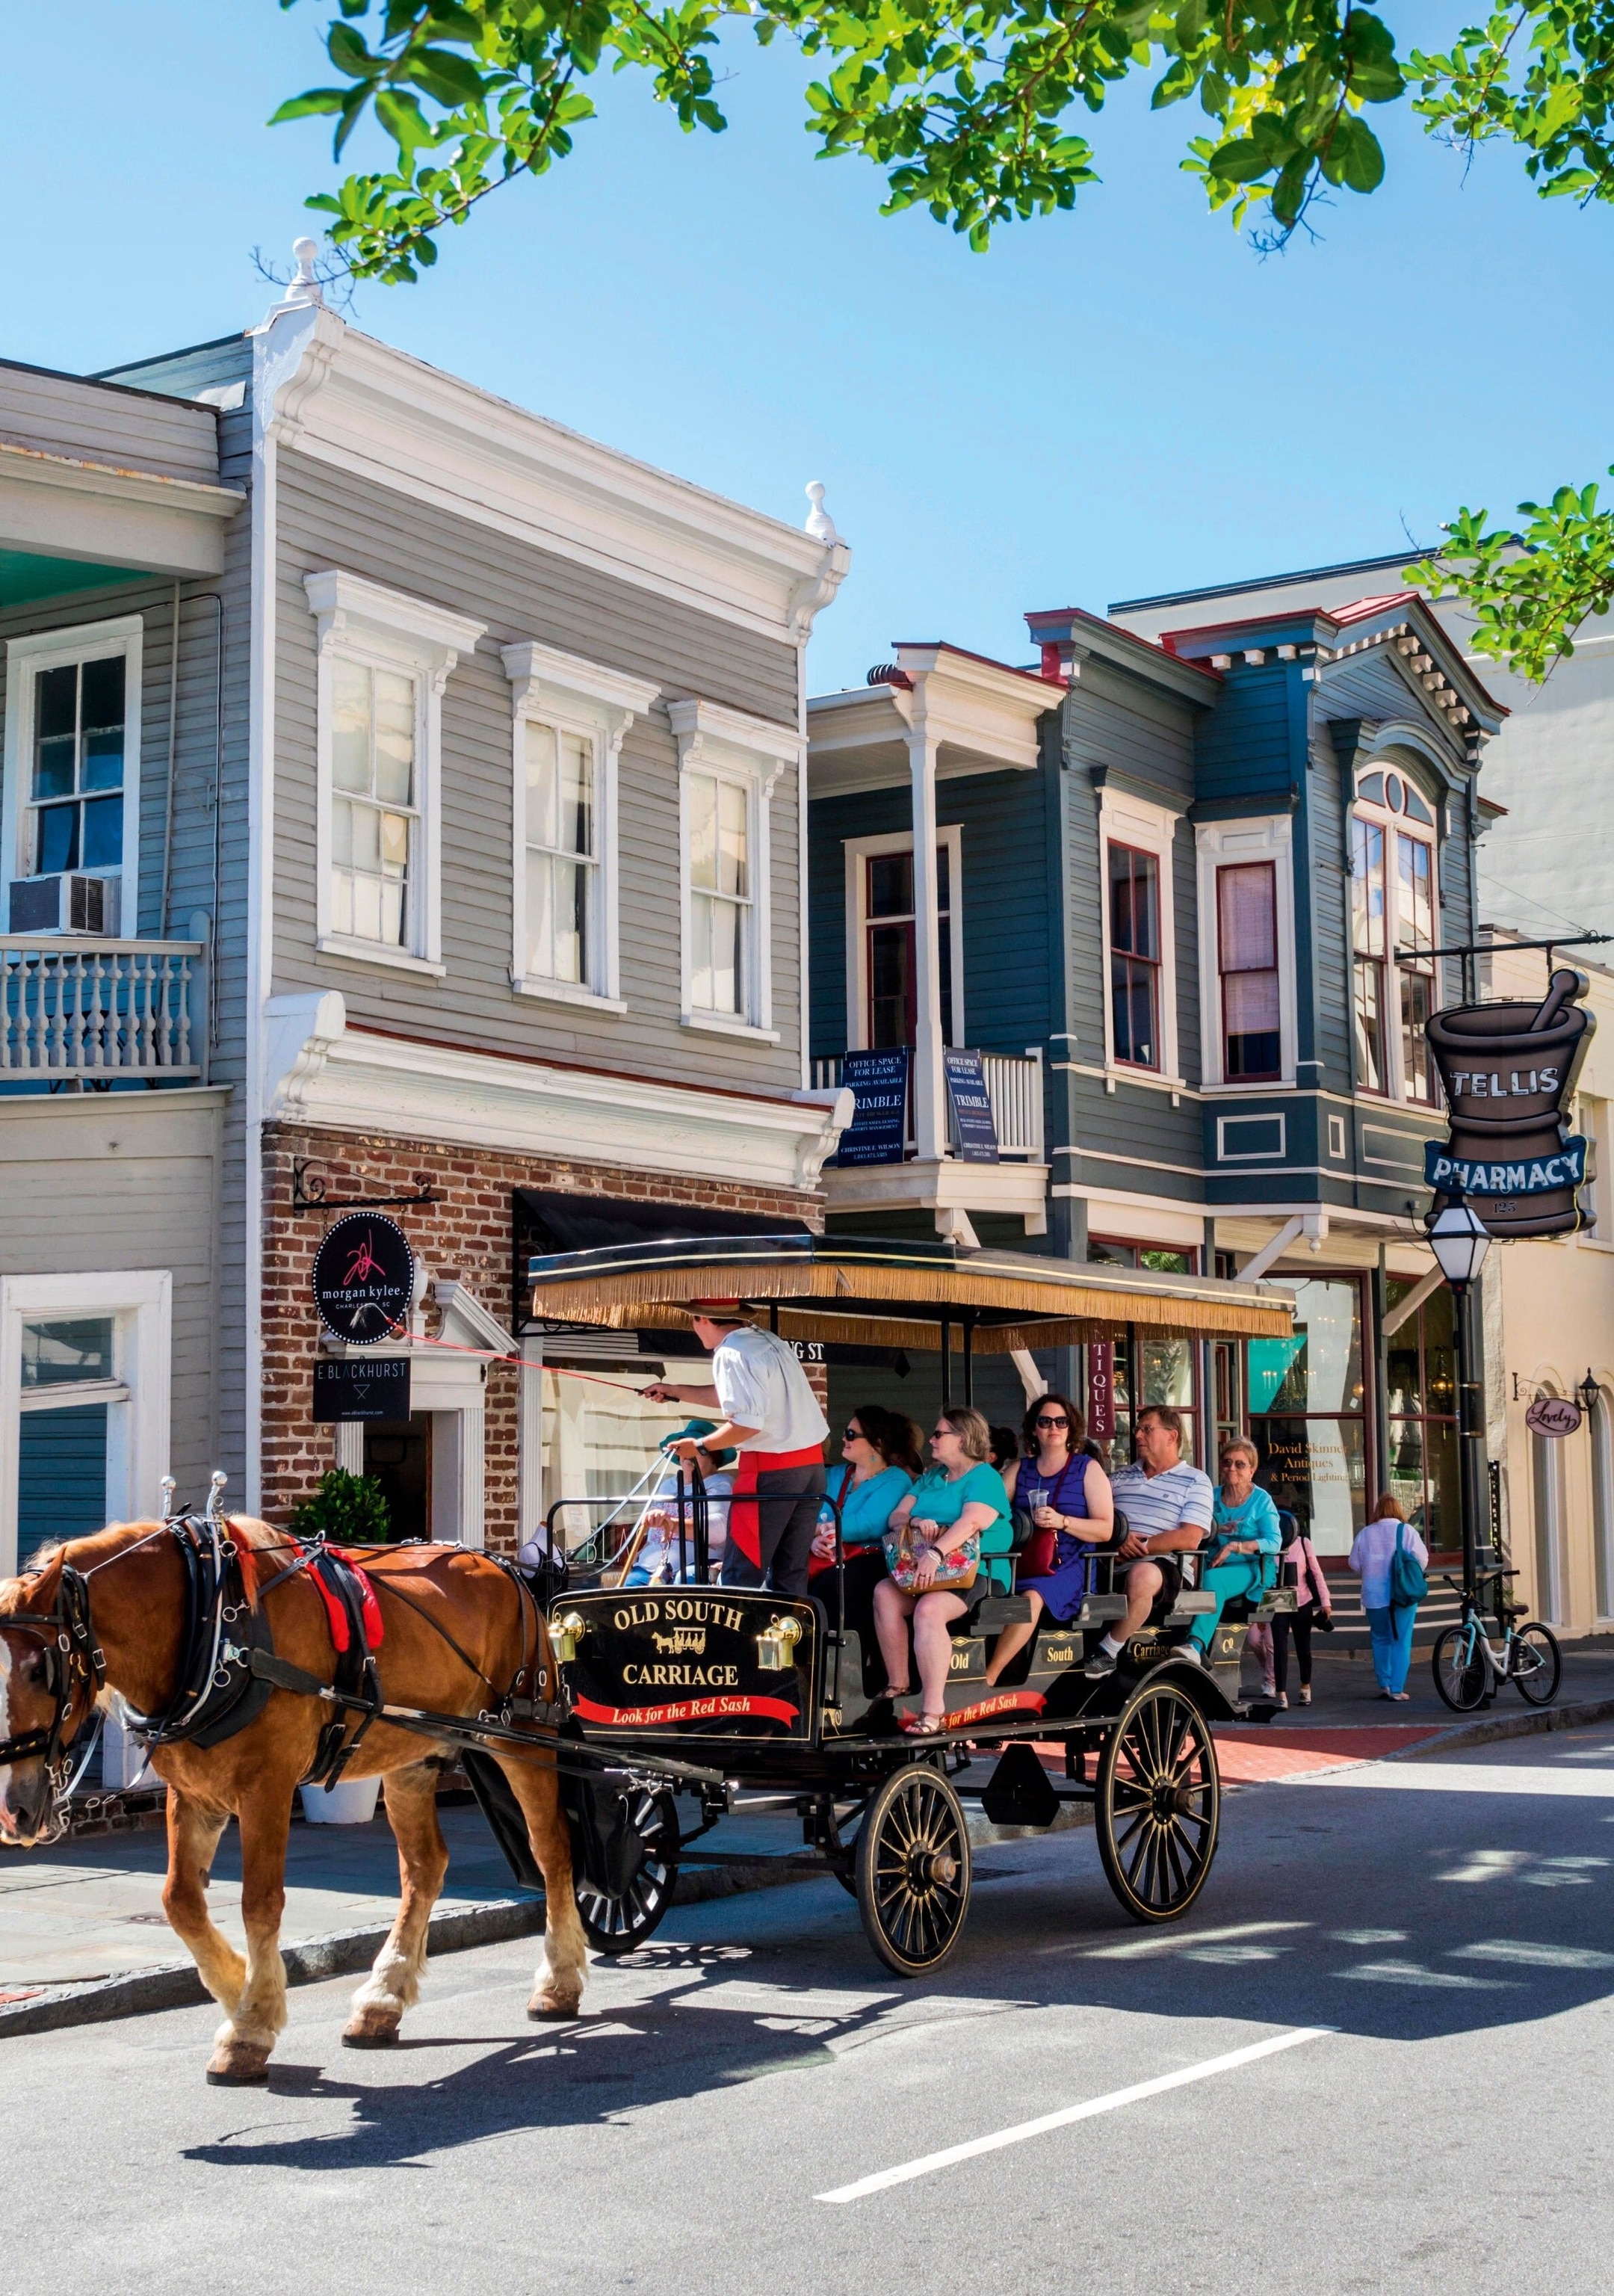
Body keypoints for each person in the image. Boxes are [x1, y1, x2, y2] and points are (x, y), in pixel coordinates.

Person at [641, 1302, 829, 1596]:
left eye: (692, 1320)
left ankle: (733, 1643)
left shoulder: (730, 1353)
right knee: (790, 1573)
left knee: (741, 1573)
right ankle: (791, 1640)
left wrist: (700, 1445)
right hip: (810, 1467)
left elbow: (747, 1424)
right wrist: (675, 1391)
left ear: (702, 1319)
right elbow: (735, 1396)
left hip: (771, 1471)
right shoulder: (767, 1340)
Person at [873, 1404, 1010, 1732]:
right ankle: (899, 1684)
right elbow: (896, 1517)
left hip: (977, 1570)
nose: (931, 1440)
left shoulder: (985, 1477)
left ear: (962, 1439)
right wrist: (918, 1520)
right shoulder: (933, 1476)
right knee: (884, 1593)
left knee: (929, 1610)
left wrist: (935, 1552)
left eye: (938, 1434)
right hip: (928, 1567)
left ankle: (933, 1710)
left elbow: (973, 1521)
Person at [983, 1395, 1113, 1686]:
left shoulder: (1087, 1469)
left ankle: (989, 1677)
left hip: (1071, 1564)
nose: (1053, 1427)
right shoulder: (1019, 1469)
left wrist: (1063, 1521)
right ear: (1034, 1429)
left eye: (1061, 1421)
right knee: (983, 1588)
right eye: (1045, 1421)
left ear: (1070, 1428)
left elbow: (1105, 1529)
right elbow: (991, 1511)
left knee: (1032, 1597)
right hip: (1023, 1559)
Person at [1086, 1404, 1215, 1677]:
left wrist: (1141, 1547)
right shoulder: (1118, 1479)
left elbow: (1190, 1537)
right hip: (1112, 1562)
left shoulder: (1195, 1480)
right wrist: (1115, 1543)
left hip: (1167, 1569)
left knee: (1142, 1573)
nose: (1138, 1436)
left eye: (1147, 1429)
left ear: (1172, 1436)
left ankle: (1108, 1650)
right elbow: (1099, 1521)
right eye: (1137, 1429)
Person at [808, 1406, 921, 1661]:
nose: (843, 1439)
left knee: (835, 1587)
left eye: (851, 1434)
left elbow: (868, 1524)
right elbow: (806, 1516)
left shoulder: (896, 1480)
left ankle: (849, 1665)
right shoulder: (833, 1474)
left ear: (876, 1443)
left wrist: (818, 1530)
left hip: (873, 1557)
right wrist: (814, 1540)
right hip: (829, 1556)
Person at [1193, 1437, 1283, 1662]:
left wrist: (1237, 1546)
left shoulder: (1262, 1500)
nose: (1232, 1468)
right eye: (1227, 1462)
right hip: (1212, 1560)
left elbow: (1274, 1542)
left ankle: (1194, 1646)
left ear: (1252, 1470)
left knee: (1212, 1580)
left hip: (1251, 1566)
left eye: (1240, 1464)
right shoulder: (1211, 1496)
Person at [622, 1422, 734, 1584]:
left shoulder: (722, 1484)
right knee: (632, 1586)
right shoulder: (667, 1485)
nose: (688, 1454)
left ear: (713, 1455)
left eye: (695, 1449)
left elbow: (719, 1529)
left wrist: (673, 1524)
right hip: (653, 1566)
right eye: (683, 1449)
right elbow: (653, 1535)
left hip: (698, 1564)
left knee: (685, 1580)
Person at [1350, 1493, 1427, 1701]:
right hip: (1401, 1594)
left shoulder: (1365, 1533)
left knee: (1380, 1638)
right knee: (1401, 1640)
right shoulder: (1407, 1531)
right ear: (1397, 1510)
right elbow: (1422, 1559)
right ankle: (1397, 1688)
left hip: (1374, 1595)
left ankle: (1384, 1683)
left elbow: (1354, 1564)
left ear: (1378, 1511)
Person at [1270, 1510, 1332, 1708]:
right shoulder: (1269, 1545)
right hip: (1278, 1600)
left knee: (1303, 1647)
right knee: (1279, 1647)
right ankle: (1281, 1693)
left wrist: (1326, 1602)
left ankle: (1305, 1686)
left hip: (1302, 1600)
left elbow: (1316, 1573)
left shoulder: (1304, 1544)